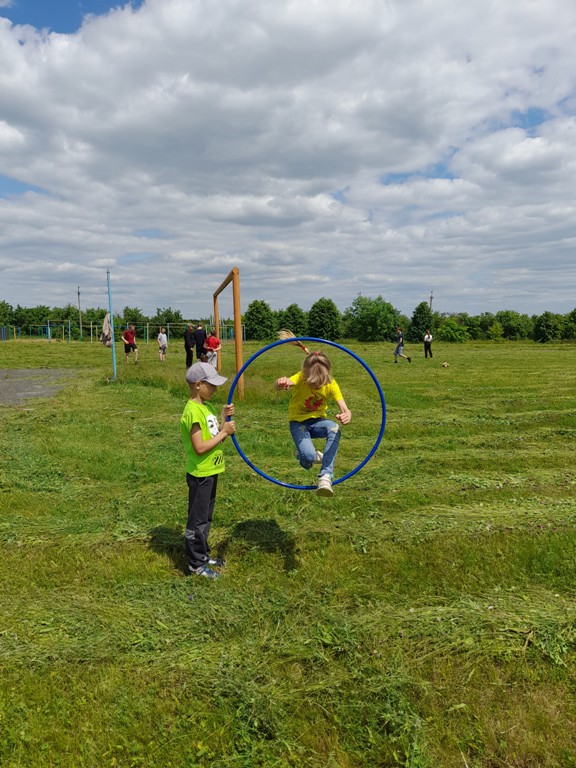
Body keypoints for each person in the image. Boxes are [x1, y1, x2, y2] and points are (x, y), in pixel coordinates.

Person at [180, 362, 236, 579]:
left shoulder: (207, 407)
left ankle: (202, 555)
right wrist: (224, 433)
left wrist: (223, 420)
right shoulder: (193, 412)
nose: (215, 389)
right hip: (200, 474)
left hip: (211, 471)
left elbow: (214, 435)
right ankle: (196, 564)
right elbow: (200, 447)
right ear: (197, 385)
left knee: (206, 517)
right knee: (197, 520)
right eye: (211, 385)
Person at [275, 349, 351, 497]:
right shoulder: (300, 376)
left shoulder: (331, 383)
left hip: (318, 422)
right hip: (298, 423)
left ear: (327, 375)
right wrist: (280, 382)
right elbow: (284, 384)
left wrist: (346, 414)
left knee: (334, 428)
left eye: (320, 384)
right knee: (308, 458)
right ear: (305, 374)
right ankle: (306, 456)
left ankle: (325, 477)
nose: (317, 386)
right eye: (313, 384)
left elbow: (345, 408)